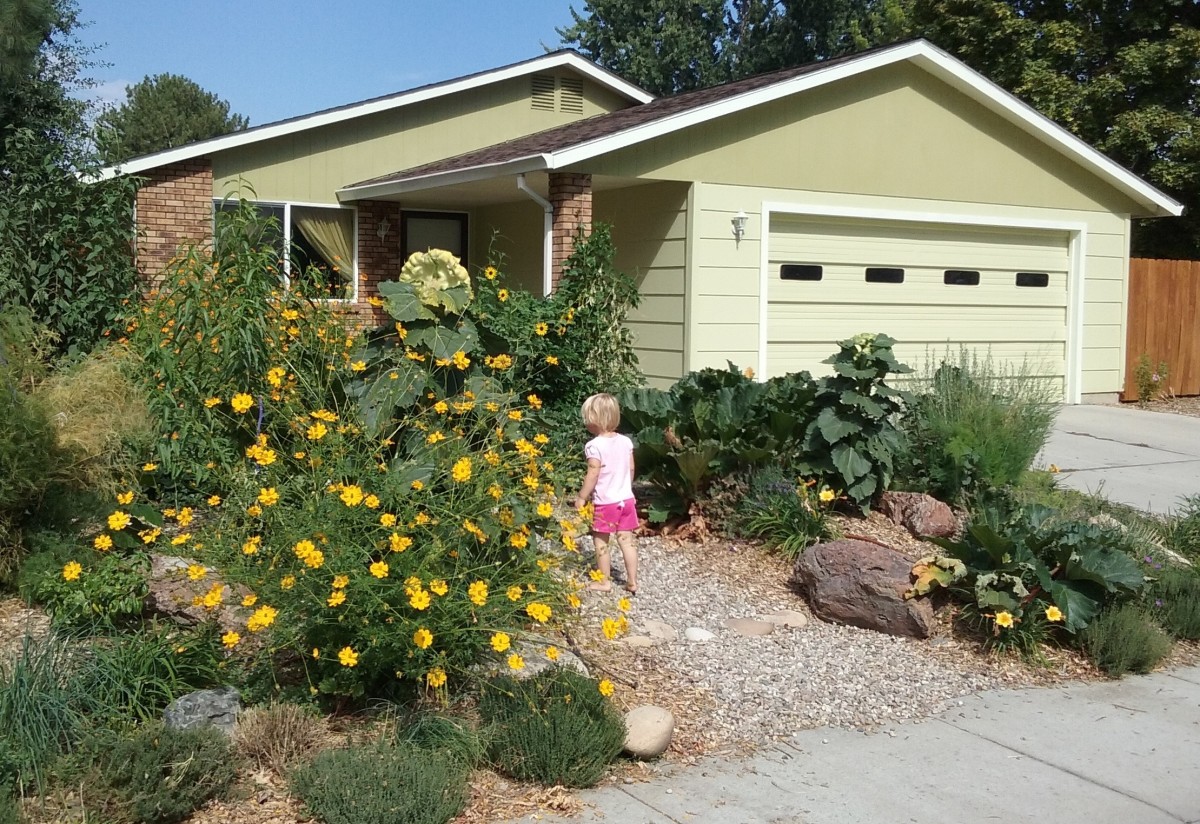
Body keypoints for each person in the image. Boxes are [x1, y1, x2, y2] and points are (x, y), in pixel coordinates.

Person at [572, 393, 638, 594]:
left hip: (606, 502)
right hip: (626, 499)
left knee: (600, 540)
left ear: (594, 419)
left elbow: (593, 472)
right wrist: (626, 487)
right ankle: (632, 581)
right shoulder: (626, 442)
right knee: (626, 541)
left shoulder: (594, 446)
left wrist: (582, 496)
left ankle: (604, 581)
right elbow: (632, 468)